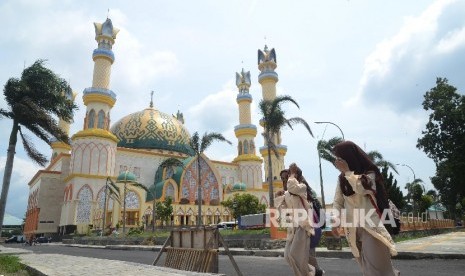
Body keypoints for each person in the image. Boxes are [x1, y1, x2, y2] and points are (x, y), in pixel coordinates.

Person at [331, 141, 400, 276]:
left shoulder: (369, 173)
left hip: (371, 225)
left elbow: (363, 188)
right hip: (353, 229)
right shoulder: (342, 179)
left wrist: (347, 172)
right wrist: (335, 219)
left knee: (376, 270)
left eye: (340, 157)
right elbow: (338, 201)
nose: (337, 161)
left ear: (348, 157)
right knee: (366, 268)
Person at [275, 163, 316, 276]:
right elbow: (283, 213)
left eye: (286, 177)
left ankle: (311, 272)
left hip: (303, 226)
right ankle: (314, 272)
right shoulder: (287, 195)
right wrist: (278, 197)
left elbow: (293, 187)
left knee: (295, 255)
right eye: (282, 179)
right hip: (292, 228)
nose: (284, 181)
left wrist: (292, 174)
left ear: (295, 176)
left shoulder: (302, 187)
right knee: (288, 256)